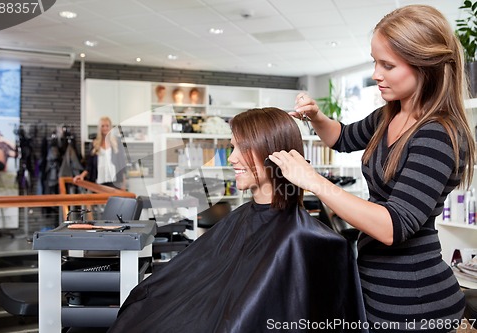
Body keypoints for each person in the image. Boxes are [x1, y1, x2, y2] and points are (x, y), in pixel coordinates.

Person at [269, 5, 475, 332]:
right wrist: (318, 117)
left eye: (388, 65)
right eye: (374, 61)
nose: (376, 74)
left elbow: (393, 225)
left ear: (426, 67)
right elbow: (342, 138)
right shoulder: (389, 115)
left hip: (415, 304)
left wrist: (313, 181)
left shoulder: (438, 135)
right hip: (376, 291)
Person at [107, 107, 366, 333]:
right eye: (233, 147)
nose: (232, 158)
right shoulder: (243, 220)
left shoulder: (306, 240)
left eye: (243, 148)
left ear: (273, 152)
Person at [73, 116, 126, 189]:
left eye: (107, 126)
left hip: (114, 182)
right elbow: (89, 165)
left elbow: (122, 163)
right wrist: (81, 176)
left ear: (110, 127)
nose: (105, 128)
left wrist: (124, 183)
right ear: (99, 128)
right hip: (98, 181)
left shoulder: (117, 143)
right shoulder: (94, 143)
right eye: (102, 126)